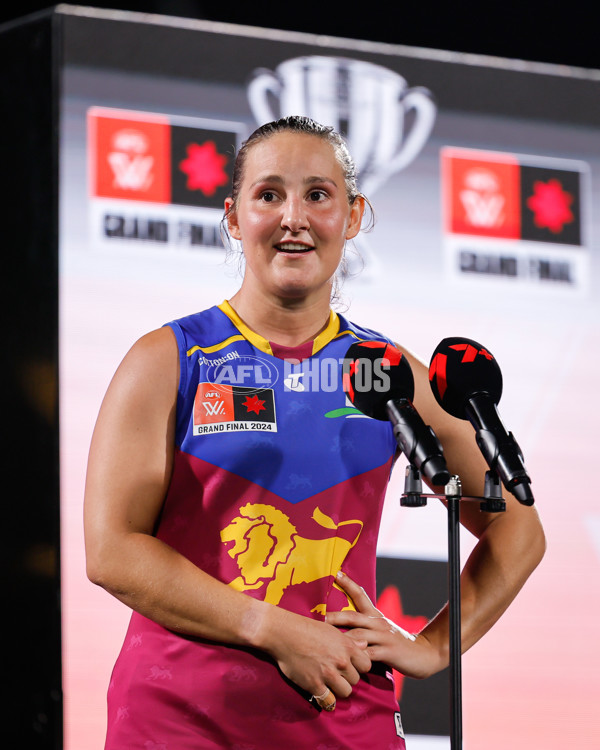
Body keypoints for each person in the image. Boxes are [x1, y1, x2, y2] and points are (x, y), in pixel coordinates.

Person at [84, 115, 545, 749]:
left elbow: (517, 526)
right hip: (177, 722)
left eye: (318, 195)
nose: (293, 217)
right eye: (268, 194)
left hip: (343, 723)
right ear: (232, 216)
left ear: (353, 217)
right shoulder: (169, 359)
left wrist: (435, 648)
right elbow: (112, 551)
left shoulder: (390, 375)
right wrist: (271, 628)